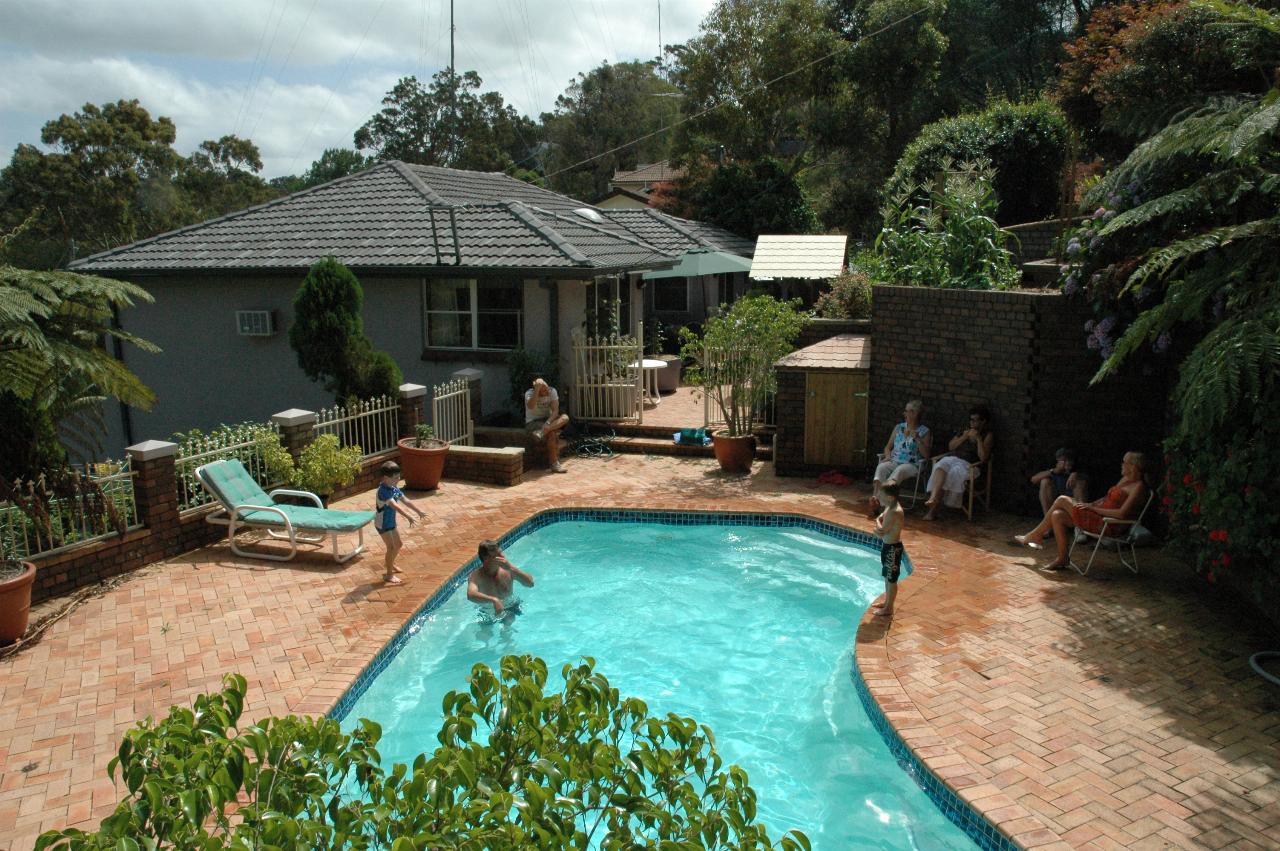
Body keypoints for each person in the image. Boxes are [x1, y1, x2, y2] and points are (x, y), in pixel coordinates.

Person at [1014, 451, 1148, 570]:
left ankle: (1035, 535)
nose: (1121, 465)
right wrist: (1091, 504)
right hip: (1097, 515)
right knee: (1057, 515)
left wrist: (1093, 508)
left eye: (1124, 462)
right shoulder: (1125, 480)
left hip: (1106, 524)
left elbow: (1121, 513)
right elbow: (1107, 498)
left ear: (1133, 467)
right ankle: (1063, 559)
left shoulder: (1138, 487)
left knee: (1062, 499)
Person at [923, 405, 995, 521]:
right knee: (940, 466)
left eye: (975, 420)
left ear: (983, 421)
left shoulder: (987, 435)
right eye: (970, 420)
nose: (972, 423)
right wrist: (964, 437)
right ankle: (933, 497)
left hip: (970, 465)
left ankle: (933, 510)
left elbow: (983, 458)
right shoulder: (964, 430)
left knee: (952, 473)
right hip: (954, 458)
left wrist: (978, 439)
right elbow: (951, 446)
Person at [374, 461, 425, 585]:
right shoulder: (383, 491)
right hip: (382, 524)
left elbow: (405, 500)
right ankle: (389, 575)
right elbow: (395, 505)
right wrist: (408, 516)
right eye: (396, 477)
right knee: (391, 547)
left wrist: (418, 511)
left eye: (399, 476)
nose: (399, 479)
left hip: (390, 522)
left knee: (398, 544)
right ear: (386, 478)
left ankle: (389, 562)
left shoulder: (393, 487)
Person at [873, 400, 931, 503]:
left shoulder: (924, 431)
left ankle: (882, 502)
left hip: (912, 465)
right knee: (881, 467)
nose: (904, 413)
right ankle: (877, 500)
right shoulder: (899, 427)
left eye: (906, 411)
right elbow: (888, 446)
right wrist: (887, 456)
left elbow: (926, 455)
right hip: (894, 460)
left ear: (914, 413)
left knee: (900, 470)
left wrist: (917, 439)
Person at [467, 540, 535, 617]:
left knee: (510, 619)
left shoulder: (508, 569)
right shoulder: (476, 575)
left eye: (501, 552)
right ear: (486, 558)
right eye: (498, 555)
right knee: (485, 627)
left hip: (511, 605)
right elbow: (470, 595)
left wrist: (511, 568)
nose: (503, 557)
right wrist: (494, 600)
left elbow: (530, 583)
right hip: (487, 610)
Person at [525, 377, 571, 473]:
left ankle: (542, 432)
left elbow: (555, 411)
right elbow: (531, 406)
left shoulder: (552, 391)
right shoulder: (529, 394)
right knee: (552, 434)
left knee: (565, 417)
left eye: (547, 388)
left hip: (548, 421)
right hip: (533, 422)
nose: (547, 391)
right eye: (544, 390)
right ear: (538, 391)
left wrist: (548, 424)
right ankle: (554, 465)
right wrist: (537, 390)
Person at [874, 481, 906, 617]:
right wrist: (880, 518)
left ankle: (889, 608)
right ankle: (887, 602)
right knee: (887, 577)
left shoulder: (894, 511)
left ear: (890, 497)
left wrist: (876, 520)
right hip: (888, 546)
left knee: (891, 579)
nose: (878, 497)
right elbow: (883, 519)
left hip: (893, 548)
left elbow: (882, 531)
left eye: (881, 495)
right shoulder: (890, 506)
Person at [1030, 448, 1088, 515]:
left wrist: (1075, 474)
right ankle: (1048, 518)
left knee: (1080, 483)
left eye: (1069, 460)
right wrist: (1053, 471)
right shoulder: (1054, 469)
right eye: (1063, 460)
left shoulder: (1079, 469)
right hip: (1056, 502)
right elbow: (1033, 479)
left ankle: (1080, 518)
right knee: (1045, 481)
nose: (1067, 463)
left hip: (1072, 503)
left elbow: (1085, 480)